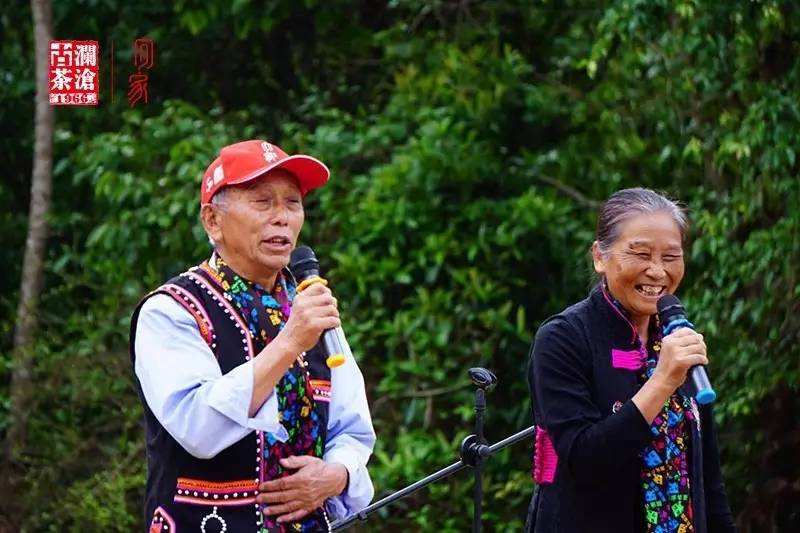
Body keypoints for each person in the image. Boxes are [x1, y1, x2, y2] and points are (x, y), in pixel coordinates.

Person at [130, 140, 375, 532]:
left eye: (292, 203)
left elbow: (352, 428)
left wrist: (338, 473)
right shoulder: (172, 310)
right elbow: (197, 428)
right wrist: (289, 343)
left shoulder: (308, 303)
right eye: (263, 202)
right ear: (213, 221)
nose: (282, 218)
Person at [526, 188, 735, 533]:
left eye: (671, 257)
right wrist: (662, 381)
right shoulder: (563, 338)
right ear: (600, 256)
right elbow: (584, 460)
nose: (657, 271)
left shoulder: (678, 340)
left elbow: (709, 480)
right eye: (641, 254)